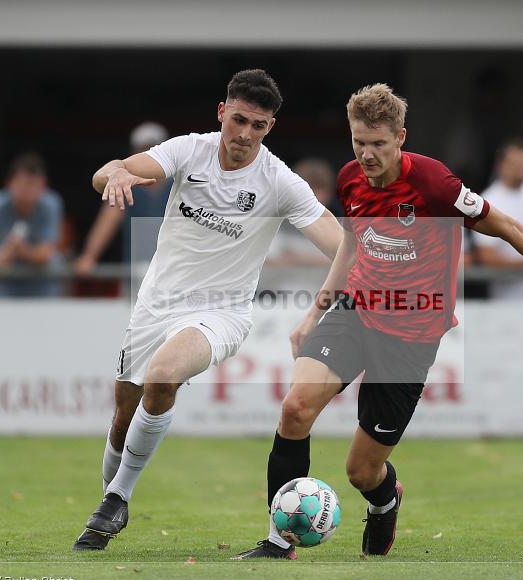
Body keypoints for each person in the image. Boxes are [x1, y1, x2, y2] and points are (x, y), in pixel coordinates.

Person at [232, 84, 523, 560]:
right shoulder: (351, 179)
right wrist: (315, 311)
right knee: (295, 409)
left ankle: (385, 501)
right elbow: (351, 246)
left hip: (410, 337)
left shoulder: (436, 185)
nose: (366, 155)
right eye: (358, 142)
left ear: (401, 138)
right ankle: (277, 542)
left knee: (361, 472)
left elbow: (510, 228)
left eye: (378, 144)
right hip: (355, 310)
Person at [72, 69, 343, 550]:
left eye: (258, 126)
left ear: (269, 128)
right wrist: (114, 173)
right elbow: (111, 170)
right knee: (123, 413)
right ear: (223, 112)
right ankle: (109, 502)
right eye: (239, 120)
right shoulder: (187, 150)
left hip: (221, 314)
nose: (245, 134)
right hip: (156, 303)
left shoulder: (279, 181)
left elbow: (338, 242)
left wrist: (380, 271)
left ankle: (118, 498)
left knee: (163, 375)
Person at [74, 122, 174, 281]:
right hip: (136, 279)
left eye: (154, 150)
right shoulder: (126, 187)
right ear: (134, 153)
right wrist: (89, 256)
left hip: (175, 275)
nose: (148, 156)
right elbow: (107, 221)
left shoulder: (178, 185)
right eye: (143, 150)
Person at [0, 153, 64, 298]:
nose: (26, 190)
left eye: (32, 184)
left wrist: (22, 251)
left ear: (43, 186)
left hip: (40, 290)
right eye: (21, 184)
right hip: (1, 289)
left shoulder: (51, 205)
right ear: (9, 184)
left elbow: (46, 253)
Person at [470, 139, 523, 301]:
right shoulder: (487, 201)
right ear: (501, 166)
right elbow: (485, 256)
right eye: (515, 163)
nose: (521, 167)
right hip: (508, 301)